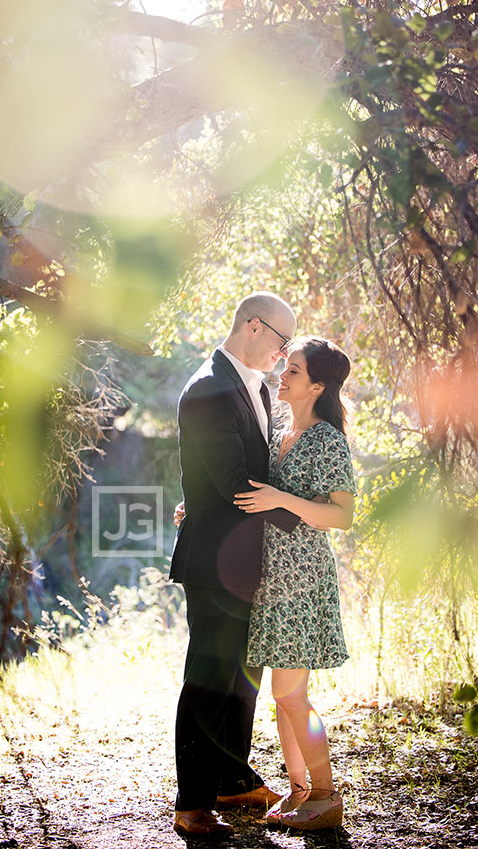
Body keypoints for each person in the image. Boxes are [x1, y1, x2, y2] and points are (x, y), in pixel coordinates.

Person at [169, 292, 301, 838]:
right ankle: (193, 803)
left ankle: (231, 778)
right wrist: (304, 513)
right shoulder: (207, 388)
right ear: (253, 326)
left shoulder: (256, 385)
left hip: (247, 562)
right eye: (282, 341)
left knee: (243, 674)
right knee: (208, 678)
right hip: (212, 562)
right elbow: (233, 484)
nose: (284, 353)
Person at [233, 336, 356, 831]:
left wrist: (283, 501)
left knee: (290, 693)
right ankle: (301, 789)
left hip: (303, 577)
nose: (283, 374)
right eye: (286, 367)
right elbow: (254, 496)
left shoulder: (327, 439)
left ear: (317, 386)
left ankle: (326, 796)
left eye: (296, 371)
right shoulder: (280, 429)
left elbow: (341, 515)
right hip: (272, 575)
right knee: (282, 695)